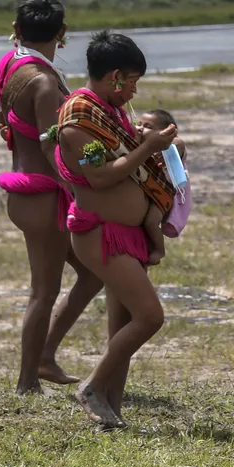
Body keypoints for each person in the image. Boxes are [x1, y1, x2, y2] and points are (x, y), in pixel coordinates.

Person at [55, 31, 178, 428]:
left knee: (123, 325)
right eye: (133, 82)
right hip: (101, 235)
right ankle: (92, 387)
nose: (135, 91)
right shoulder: (78, 119)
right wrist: (148, 148)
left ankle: (112, 409)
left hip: (127, 235)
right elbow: (102, 177)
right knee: (150, 317)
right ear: (114, 77)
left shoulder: (111, 113)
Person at [0, 0, 104, 395]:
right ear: (62, 33)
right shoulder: (43, 81)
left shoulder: (10, 66)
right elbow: (51, 148)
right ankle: (26, 383)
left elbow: (1, 120)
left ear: (17, 29)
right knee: (44, 291)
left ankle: (44, 358)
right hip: (44, 197)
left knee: (92, 273)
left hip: (24, 191)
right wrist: (86, 189)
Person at [136, 109, 187, 264]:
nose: (140, 128)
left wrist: (171, 146)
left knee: (151, 222)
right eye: (139, 124)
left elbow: (178, 143)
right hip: (149, 191)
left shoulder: (169, 144)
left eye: (148, 126)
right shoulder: (141, 144)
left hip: (163, 193)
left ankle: (159, 249)